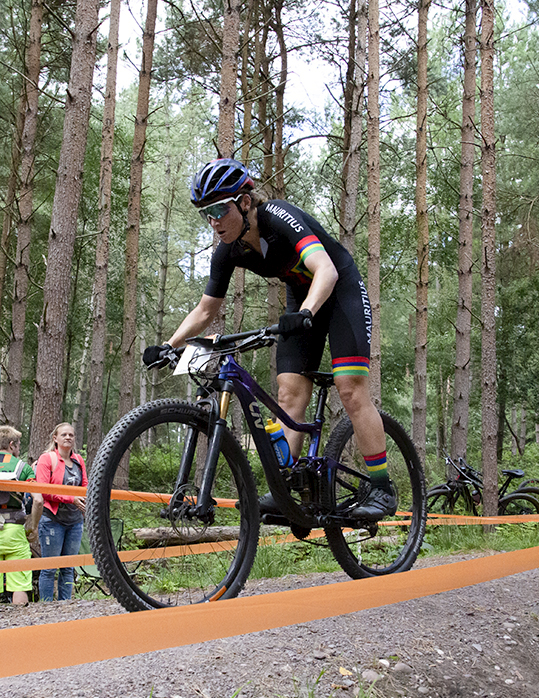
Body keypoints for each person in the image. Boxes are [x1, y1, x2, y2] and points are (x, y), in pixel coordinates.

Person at [143, 158, 394, 521]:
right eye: (205, 214)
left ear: (245, 202)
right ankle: (287, 490)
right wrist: (170, 344)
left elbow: (325, 269)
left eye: (218, 210)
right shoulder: (227, 249)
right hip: (302, 297)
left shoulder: (278, 216)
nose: (213, 222)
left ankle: (382, 488)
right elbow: (205, 309)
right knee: (289, 394)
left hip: (339, 292)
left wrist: (306, 314)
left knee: (351, 389)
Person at [35, 423, 87, 601]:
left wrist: (86, 500)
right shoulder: (47, 459)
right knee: (50, 567)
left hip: (74, 521)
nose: (68, 437)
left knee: (68, 567)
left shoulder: (79, 461)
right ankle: (47, 607)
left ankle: (65, 606)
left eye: (71, 435)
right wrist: (70, 499)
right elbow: (44, 490)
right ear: (55, 438)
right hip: (52, 520)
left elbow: (85, 485)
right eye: (64, 434)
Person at [0, 426, 43, 605]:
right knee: (19, 584)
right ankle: (19, 628)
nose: (18, 449)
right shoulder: (22, 468)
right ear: (11, 445)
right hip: (14, 530)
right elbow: (38, 500)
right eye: (18, 446)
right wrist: (32, 526)